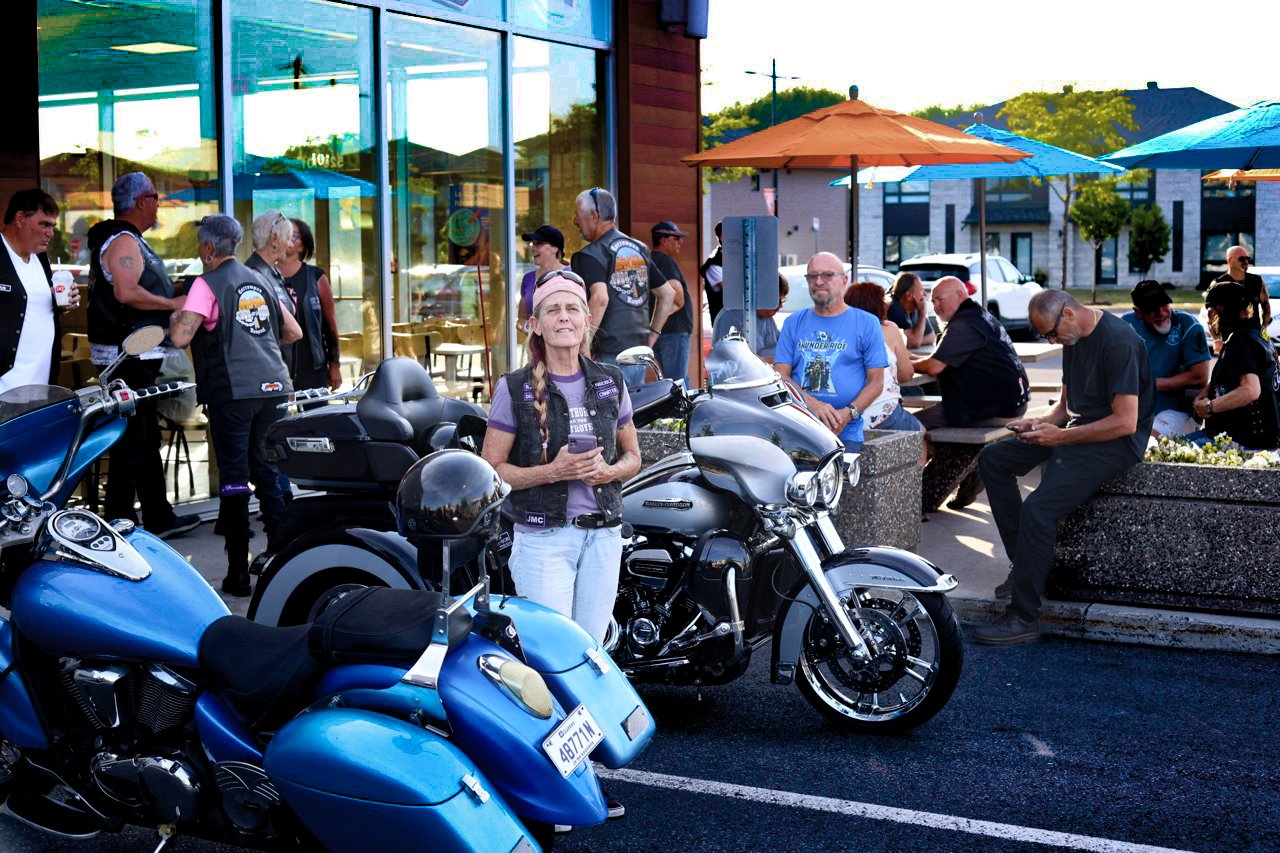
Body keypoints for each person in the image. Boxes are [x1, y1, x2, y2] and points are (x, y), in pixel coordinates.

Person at [480, 270, 638, 823]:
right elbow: (492, 469)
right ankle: (548, 789)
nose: (564, 318)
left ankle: (581, 778)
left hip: (602, 535)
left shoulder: (610, 381)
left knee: (586, 661)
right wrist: (554, 470)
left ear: (588, 321)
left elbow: (633, 457)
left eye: (572, 309)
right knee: (546, 665)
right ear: (536, 324)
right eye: (553, 310)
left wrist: (607, 471)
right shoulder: (514, 387)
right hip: (543, 539)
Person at [973, 290, 1154, 646]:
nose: (1052, 341)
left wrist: (1060, 438)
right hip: (1078, 432)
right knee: (993, 459)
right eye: (1046, 337)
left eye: (1052, 334)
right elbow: (1064, 409)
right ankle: (1024, 566)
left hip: (1115, 443)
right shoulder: (1073, 338)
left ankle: (1023, 616)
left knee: (1039, 508)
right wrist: (1039, 423)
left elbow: (1125, 422)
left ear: (1068, 314)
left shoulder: (1119, 342)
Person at [167, 214, 302, 597]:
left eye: (200, 245)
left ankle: (238, 574)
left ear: (210, 247)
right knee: (268, 473)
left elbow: (180, 337)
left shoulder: (205, 284)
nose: (200, 251)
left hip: (234, 391)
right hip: (274, 387)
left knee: (234, 478)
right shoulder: (261, 278)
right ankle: (282, 560)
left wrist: (177, 314)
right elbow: (292, 331)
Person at [86, 172, 198, 540]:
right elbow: (126, 292)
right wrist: (171, 302)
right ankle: (117, 522)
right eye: (154, 196)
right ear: (139, 202)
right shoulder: (122, 240)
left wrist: (174, 288)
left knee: (145, 438)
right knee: (133, 440)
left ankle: (157, 515)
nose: (158, 203)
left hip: (138, 355)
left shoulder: (129, 239)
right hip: (127, 357)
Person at [774, 252, 887, 452]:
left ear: (844, 281)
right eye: (812, 276)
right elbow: (780, 376)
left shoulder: (866, 323)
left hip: (846, 431)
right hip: (799, 428)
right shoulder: (793, 323)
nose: (818, 282)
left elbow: (876, 382)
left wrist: (847, 414)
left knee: (842, 474)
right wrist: (813, 404)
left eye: (827, 275)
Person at [569, 188, 675, 389]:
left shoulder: (589, 255)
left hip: (605, 357)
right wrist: (653, 335)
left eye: (577, 215)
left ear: (594, 216)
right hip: (638, 355)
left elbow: (600, 299)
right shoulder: (639, 249)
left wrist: (583, 348)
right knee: (632, 409)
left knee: (605, 409)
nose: (575, 221)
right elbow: (667, 294)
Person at [910, 277, 1030, 431]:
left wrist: (903, 365)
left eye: (940, 300)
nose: (935, 306)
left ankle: (934, 447)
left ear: (959, 295)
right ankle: (939, 447)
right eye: (933, 302)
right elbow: (939, 360)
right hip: (1010, 402)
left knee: (908, 426)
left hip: (997, 408)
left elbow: (934, 367)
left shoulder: (963, 324)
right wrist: (912, 358)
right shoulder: (977, 315)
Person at [0, 189, 79, 394]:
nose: (50, 233)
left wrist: (61, 305)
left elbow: (31, 311)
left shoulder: (40, 257)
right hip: (6, 386)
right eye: (44, 224)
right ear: (20, 218)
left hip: (40, 384)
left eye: (52, 226)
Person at [1190, 282, 1279, 450]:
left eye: (1210, 310)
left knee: (1168, 449)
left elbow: (1250, 390)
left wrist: (1209, 407)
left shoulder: (1239, 340)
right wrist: (1208, 390)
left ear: (1218, 310)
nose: (1208, 319)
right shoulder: (1259, 334)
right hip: (1264, 437)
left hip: (1242, 441)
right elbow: (1242, 372)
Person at [1121, 279, 1210, 437]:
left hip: (1176, 410)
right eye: (1152, 309)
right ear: (1138, 312)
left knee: (1147, 440)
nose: (1162, 312)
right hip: (1133, 408)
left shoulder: (1188, 325)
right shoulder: (1127, 324)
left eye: (1164, 304)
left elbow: (1199, 377)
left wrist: (1152, 383)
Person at [843, 282, 924, 437]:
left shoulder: (838, 332)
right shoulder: (888, 328)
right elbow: (906, 374)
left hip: (843, 417)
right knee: (920, 434)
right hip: (880, 416)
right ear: (879, 306)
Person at [279, 218, 341, 392]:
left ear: (302, 246)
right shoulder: (265, 276)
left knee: (316, 411)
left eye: (293, 235)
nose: (287, 238)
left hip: (313, 368)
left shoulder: (316, 277)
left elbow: (330, 326)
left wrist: (335, 365)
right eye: (284, 234)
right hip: (277, 369)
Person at [245, 211, 299, 375]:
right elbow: (293, 332)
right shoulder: (254, 274)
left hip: (281, 369)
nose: (291, 245)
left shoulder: (274, 271)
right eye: (288, 238)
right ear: (274, 239)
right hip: (267, 373)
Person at [648, 220, 693, 385]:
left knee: (670, 381)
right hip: (674, 332)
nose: (680, 243)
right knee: (678, 382)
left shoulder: (648, 259)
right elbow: (676, 294)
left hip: (660, 332)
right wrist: (663, 315)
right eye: (676, 239)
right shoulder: (664, 260)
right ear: (663, 240)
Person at [710, 274, 788, 360]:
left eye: (783, 301)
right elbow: (732, 361)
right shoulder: (732, 316)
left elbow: (783, 347)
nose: (781, 306)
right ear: (762, 297)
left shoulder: (767, 317)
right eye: (778, 301)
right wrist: (778, 360)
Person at [1206, 245, 1270, 333]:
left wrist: (1263, 328)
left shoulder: (1257, 281)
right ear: (1229, 261)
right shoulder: (1218, 284)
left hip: (1253, 336)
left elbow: (1266, 306)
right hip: (1228, 336)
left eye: (1248, 258)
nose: (1246, 261)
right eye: (1241, 259)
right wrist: (1217, 338)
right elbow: (1211, 313)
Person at [518, 225, 569, 327]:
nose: (533, 248)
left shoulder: (571, 275)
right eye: (533, 244)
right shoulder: (528, 278)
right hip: (535, 337)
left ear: (555, 248)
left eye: (538, 244)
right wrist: (525, 328)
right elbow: (522, 317)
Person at [887, 271, 935, 349]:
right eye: (921, 290)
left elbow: (932, 336)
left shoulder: (914, 306)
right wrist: (923, 313)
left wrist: (917, 340)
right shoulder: (893, 308)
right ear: (909, 295)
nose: (925, 294)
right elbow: (914, 343)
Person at [699, 220, 724, 325]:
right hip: (725, 323)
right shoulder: (714, 263)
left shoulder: (735, 259)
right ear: (722, 237)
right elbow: (733, 291)